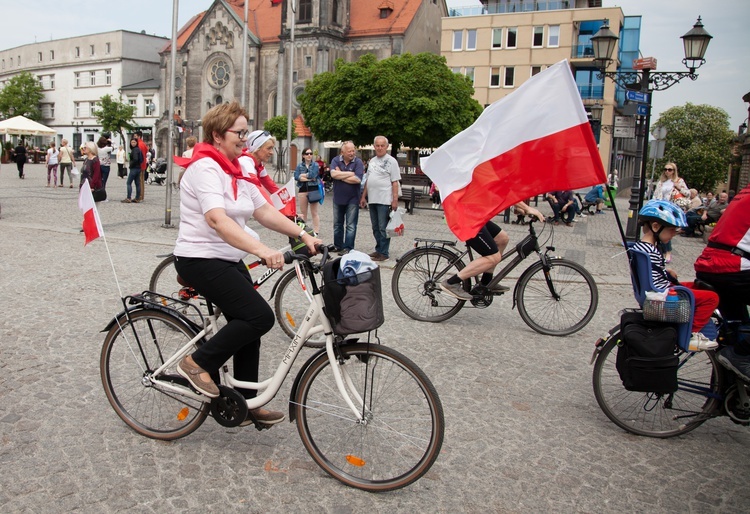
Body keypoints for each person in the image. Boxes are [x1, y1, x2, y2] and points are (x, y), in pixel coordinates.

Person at [173, 101, 322, 426]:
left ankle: (246, 400)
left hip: (226, 259)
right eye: (239, 132)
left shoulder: (236, 169)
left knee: (249, 323)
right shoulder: (205, 169)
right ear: (217, 134)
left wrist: (304, 234)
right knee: (259, 317)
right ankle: (196, 363)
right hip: (199, 259)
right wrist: (262, 250)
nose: (244, 137)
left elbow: (264, 212)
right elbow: (217, 220)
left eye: (245, 131)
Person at [634, 200, 719, 352]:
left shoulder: (643, 247)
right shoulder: (650, 250)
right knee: (712, 298)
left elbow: (651, 272)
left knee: (696, 285)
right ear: (655, 226)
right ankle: (691, 334)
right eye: (672, 229)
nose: (674, 234)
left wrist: (666, 272)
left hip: (660, 287)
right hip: (662, 294)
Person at [694, 184, 750, 381]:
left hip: (713, 266)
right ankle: (740, 353)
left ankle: (726, 396)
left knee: (737, 330)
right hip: (731, 268)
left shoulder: (744, 193)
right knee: (741, 348)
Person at [440, 202, 545, 300]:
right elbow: (505, 189)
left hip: (475, 215)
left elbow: (498, 193)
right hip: (466, 218)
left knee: (502, 238)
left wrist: (517, 206)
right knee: (493, 257)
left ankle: (486, 281)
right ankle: (451, 283)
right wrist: (527, 208)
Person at [358, 136, 400, 261]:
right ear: (374, 146)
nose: (380, 147)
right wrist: (363, 196)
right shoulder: (372, 161)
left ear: (387, 147)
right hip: (373, 198)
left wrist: (395, 199)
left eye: (382, 145)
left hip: (385, 199)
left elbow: (395, 182)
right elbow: (368, 180)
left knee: (383, 227)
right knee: (375, 227)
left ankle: (384, 252)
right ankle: (378, 249)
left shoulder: (392, 161)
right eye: (377, 145)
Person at [330, 141, 365, 255]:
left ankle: (348, 247)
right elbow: (333, 174)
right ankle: (338, 245)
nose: (352, 153)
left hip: (353, 199)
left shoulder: (358, 162)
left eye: (353, 150)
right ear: (342, 152)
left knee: (351, 225)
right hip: (338, 198)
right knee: (337, 224)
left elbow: (358, 179)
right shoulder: (335, 160)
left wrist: (341, 175)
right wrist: (350, 174)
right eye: (349, 151)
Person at [651, 162, 689, 263]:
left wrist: (678, 187)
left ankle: (667, 252)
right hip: (660, 208)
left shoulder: (679, 181)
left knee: (666, 230)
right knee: (658, 230)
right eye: (666, 169)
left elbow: (688, 193)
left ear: (674, 171)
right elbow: (655, 195)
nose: (667, 171)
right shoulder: (661, 182)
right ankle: (660, 252)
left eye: (670, 169)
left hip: (671, 209)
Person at [238, 130, 280, 197]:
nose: (272, 152)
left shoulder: (258, 164)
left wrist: (285, 199)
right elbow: (258, 193)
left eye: (272, 148)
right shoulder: (246, 163)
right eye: (269, 148)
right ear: (257, 148)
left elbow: (271, 186)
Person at [294, 147, 321, 235]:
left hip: (313, 190)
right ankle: (303, 230)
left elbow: (313, 175)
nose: (309, 155)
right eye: (307, 153)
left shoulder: (315, 165)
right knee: (303, 212)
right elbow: (296, 176)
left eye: (310, 153)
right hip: (302, 190)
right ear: (303, 155)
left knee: (314, 212)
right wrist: (308, 178)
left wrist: (303, 176)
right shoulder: (299, 165)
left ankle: (316, 231)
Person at [122, 138, 142, 203]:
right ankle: (137, 197)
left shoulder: (135, 150)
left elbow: (136, 159)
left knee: (128, 183)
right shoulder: (139, 149)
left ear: (136, 143)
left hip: (134, 168)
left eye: (134, 142)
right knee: (137, 183)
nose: (133, 143)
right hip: (138, 168)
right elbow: (142, 159)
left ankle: (128, 197)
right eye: (132, 142)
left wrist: (131, 165)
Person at [134, 131, 149, 201]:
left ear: (139, 136)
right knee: (142, 181)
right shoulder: (143, 144)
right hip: (143, 164)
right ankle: (142, 195)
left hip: (139, 165)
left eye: (135, 136)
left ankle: (139, 195)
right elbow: (146, 152)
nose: (134, 138)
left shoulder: (138, 145)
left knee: (139, 181)